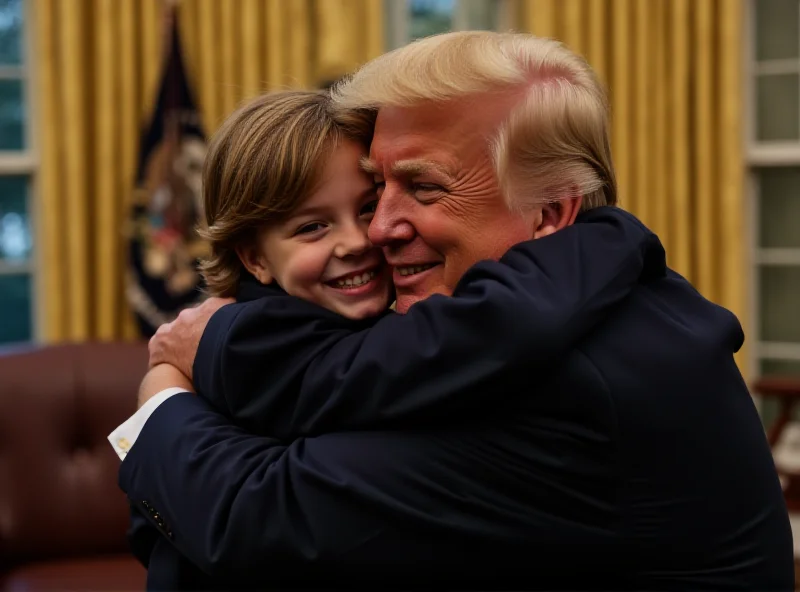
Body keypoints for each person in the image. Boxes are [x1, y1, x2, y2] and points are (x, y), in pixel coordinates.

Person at [112, 31, 793, 590]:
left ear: (551, 213)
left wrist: (161, 400)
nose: (377, 230)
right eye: (381, 187)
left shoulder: (559, 376)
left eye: (424, 187)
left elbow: (261, 517)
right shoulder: (582, 296)